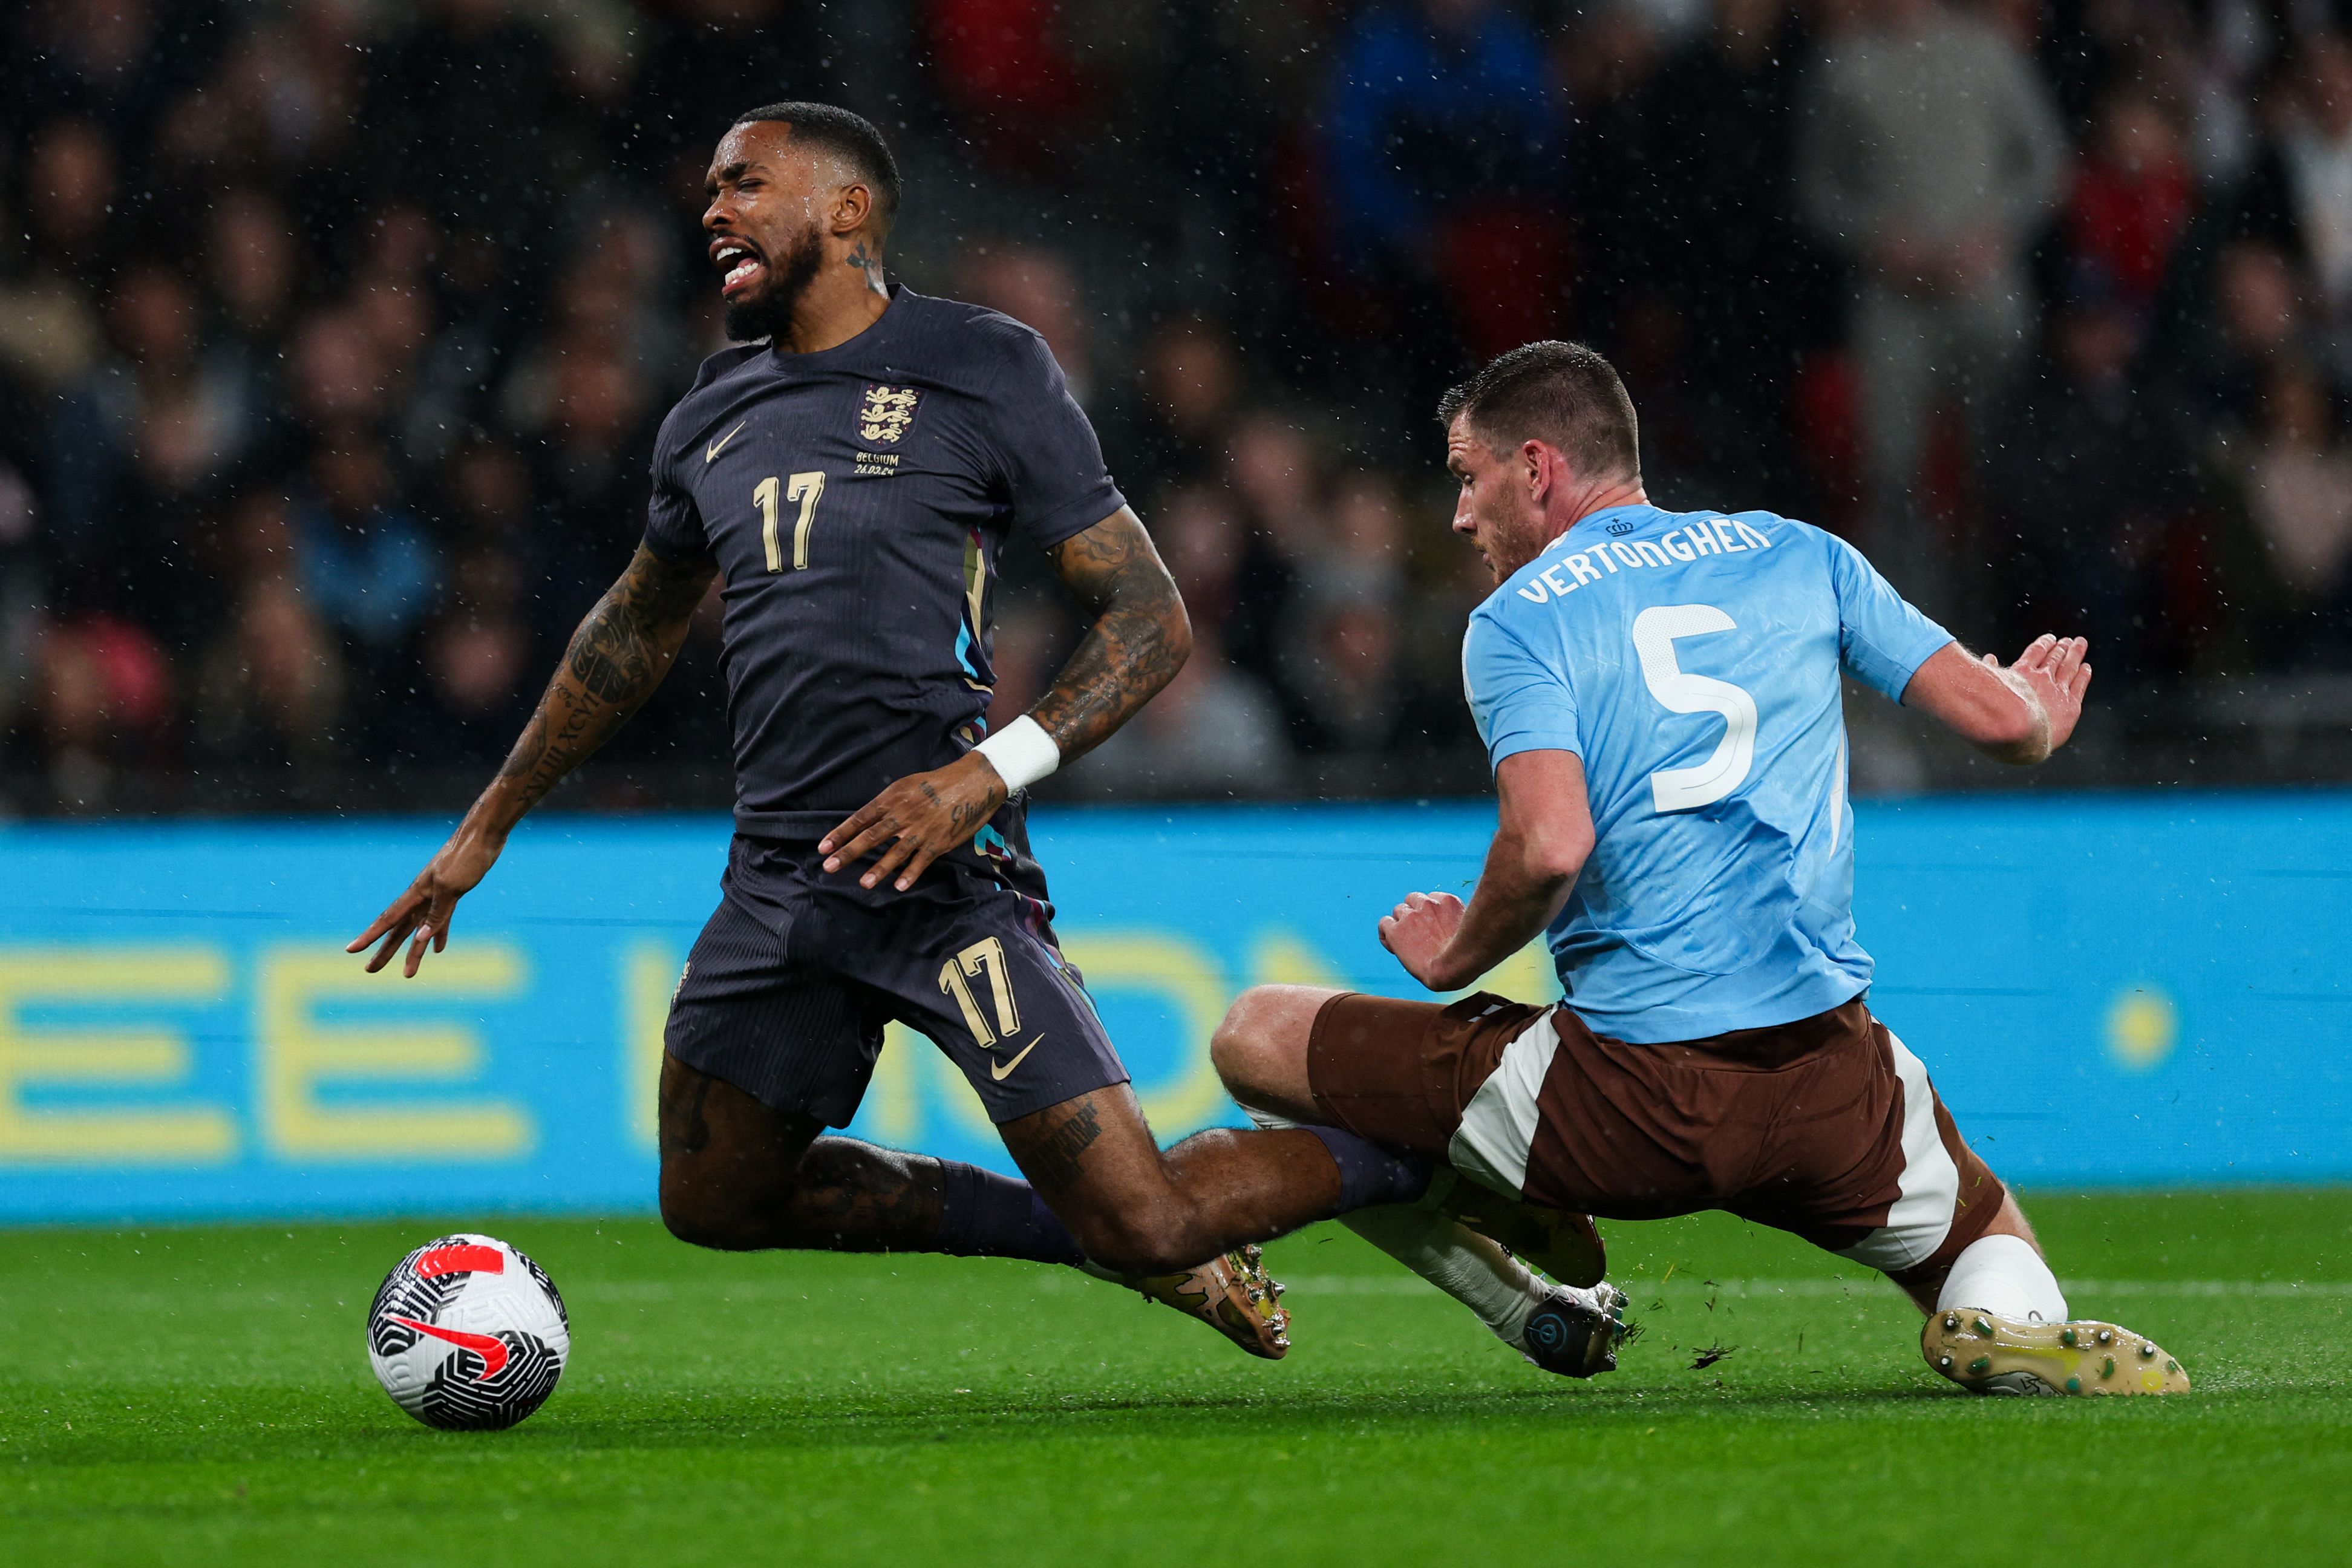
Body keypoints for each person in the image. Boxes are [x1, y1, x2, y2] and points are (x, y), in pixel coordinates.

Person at [347, 103, 1590, 1365]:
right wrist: (485, 828)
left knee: (1149, 1215)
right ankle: (1094, 1244)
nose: (713, 210)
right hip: (781, 882)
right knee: (713, 1199)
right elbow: (630, 630)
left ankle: (1403, 1163)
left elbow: (1150, 621)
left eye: (746, 184)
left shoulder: (981, 364)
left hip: (948, 881)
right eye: (711, 189)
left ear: (847, 211)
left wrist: (979, 778)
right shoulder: (706, 417)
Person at [1212, 341, 2192, 1397]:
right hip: (1828, 1080)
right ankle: (2008, 1331)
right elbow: (2008, 726)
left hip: (1621, 1104)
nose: (1458, 514)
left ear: (1536, 468)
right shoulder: (1802, 555)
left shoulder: (1520, 618)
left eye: (1467, 475)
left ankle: (1523, 1300)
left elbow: (1549, 844)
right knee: (1988, 1231)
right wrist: (2042, 711)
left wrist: (1455, 957)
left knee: (1257, 1038)